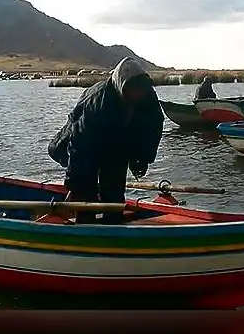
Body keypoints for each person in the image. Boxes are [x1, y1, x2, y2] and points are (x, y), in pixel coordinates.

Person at [47, 57, 164, 224]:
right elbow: (79, 146)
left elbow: (153, 128)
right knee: (86, 193)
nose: (137, 94)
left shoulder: (148, 97)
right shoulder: (98, 102)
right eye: (132, 89)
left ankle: (114, 228)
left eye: (141, 90)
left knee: (114, 192)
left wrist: (142, 158)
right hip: (82, 145)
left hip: (116, 146)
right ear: (121, 87)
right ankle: (84, 230)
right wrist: (75, 184)